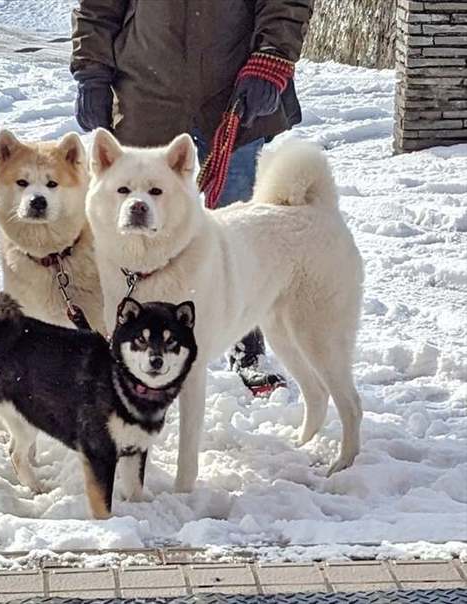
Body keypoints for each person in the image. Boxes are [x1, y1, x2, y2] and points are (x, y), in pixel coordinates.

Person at [70, 0, 314, 396]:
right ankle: (138, 350)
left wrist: (273, 57)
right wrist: (92, 72)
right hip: (147, 97)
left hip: (235, 92)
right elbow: (97, 5)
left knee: (238, 239)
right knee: (135, 237)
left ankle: (246, 348)